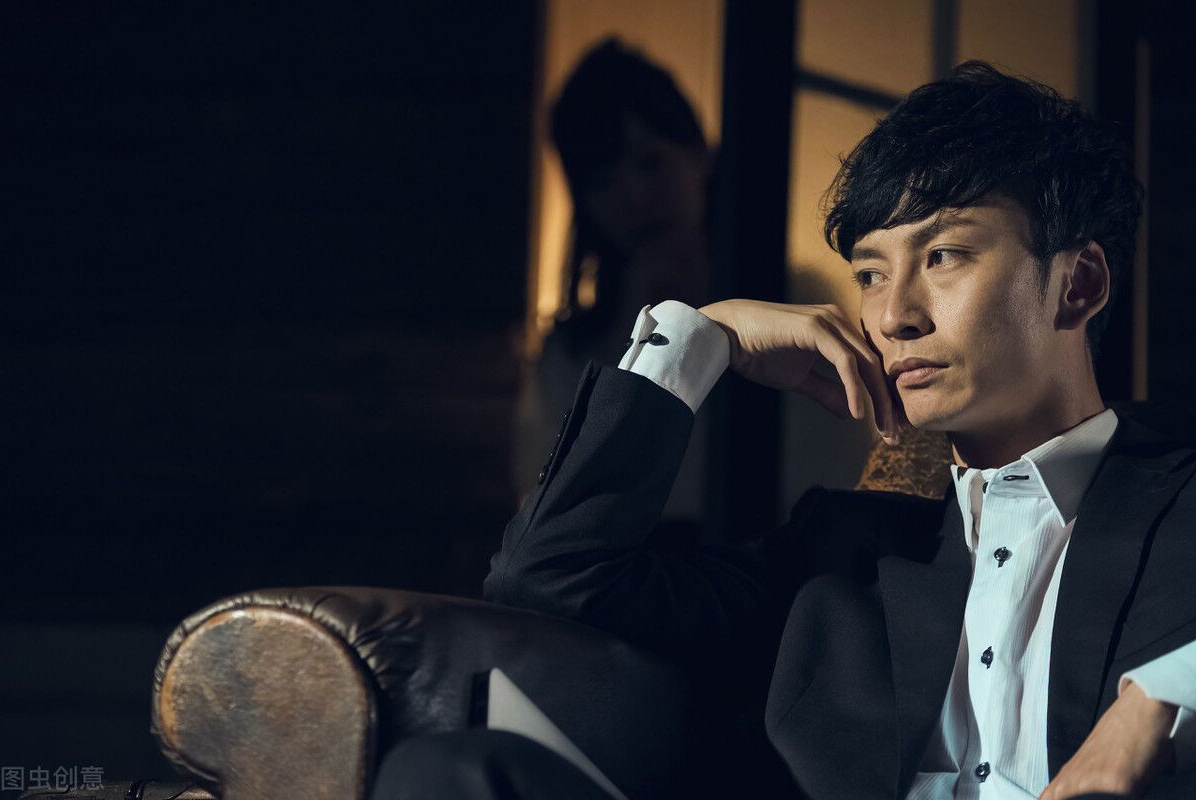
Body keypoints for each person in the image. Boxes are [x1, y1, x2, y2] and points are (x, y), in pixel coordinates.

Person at [381, 62, 1196, 800]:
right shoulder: (840, 554)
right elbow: (546, 578)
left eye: (944, 256)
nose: (893, 315)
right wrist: (701, 339)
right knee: (447, 773)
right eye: (871, 273)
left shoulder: (1178, 507)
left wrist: (1159, 700)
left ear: (1078, 284)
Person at [514, 38, 715, 531]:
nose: (634, 196)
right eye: (603, 181)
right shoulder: (571, 351)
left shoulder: (786, 305)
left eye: (650, 161)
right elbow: (545, 504)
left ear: (697, 153)